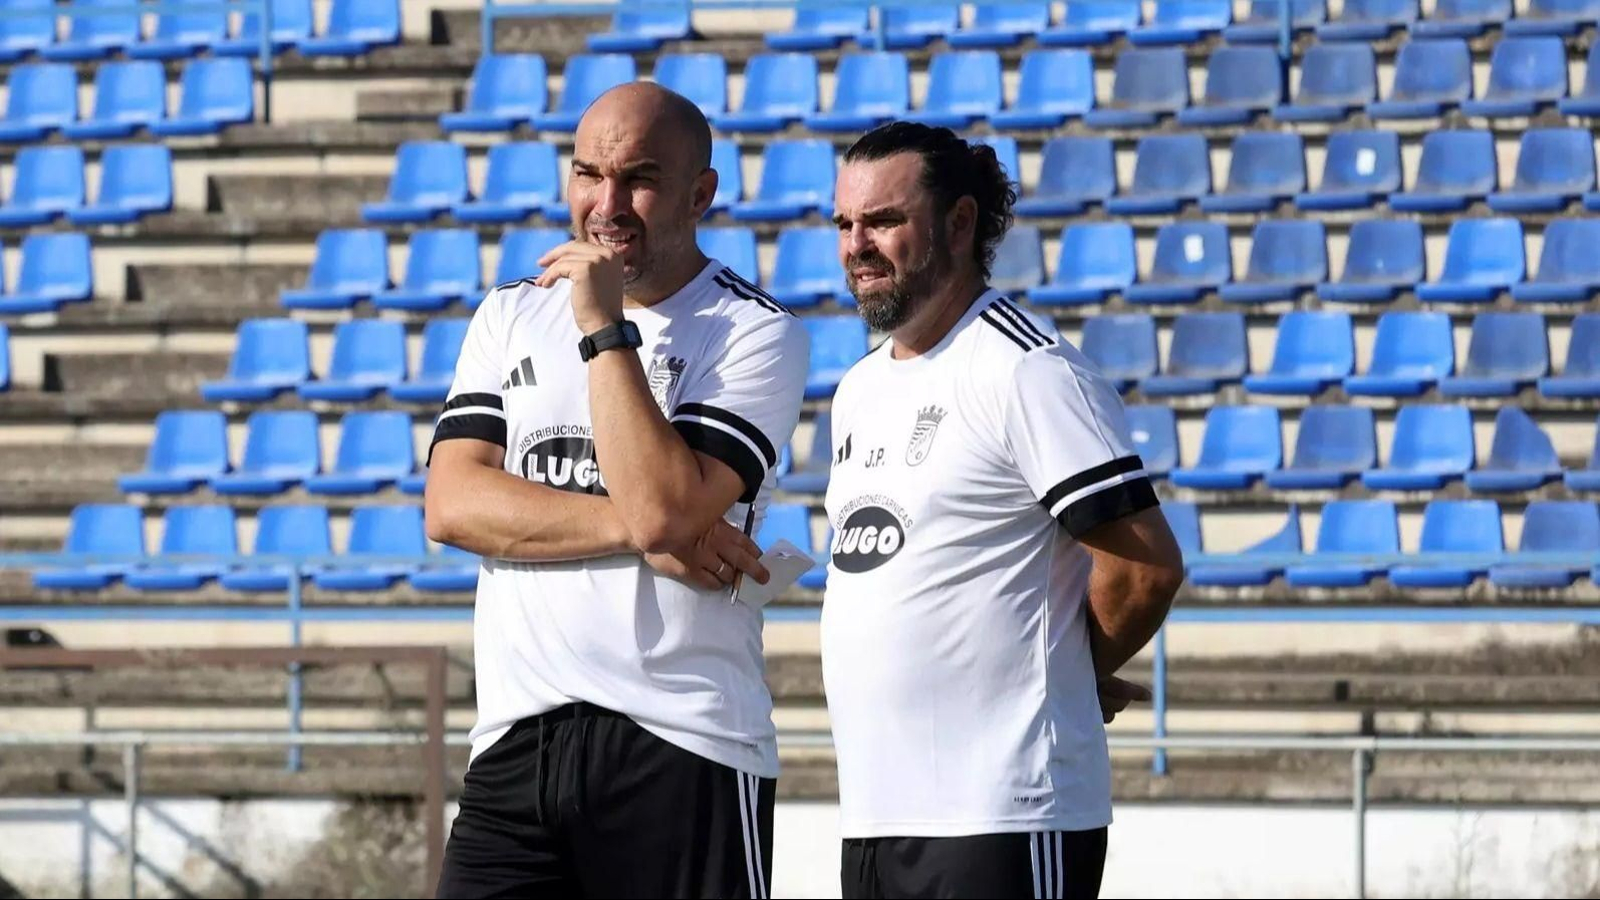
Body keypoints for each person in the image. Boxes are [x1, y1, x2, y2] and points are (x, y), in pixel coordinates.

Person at [425, 82, 809, 899]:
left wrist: (605, 331)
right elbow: (453, 505)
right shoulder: (509, 314)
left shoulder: (755, 332)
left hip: (683, 741)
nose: (607, 205)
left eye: (639, 177)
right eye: (587, 174)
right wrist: (646, 528)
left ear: (701, 193)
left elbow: (668, 506)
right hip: (512, 745)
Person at [820, 121, 1186, 900]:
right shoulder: (859, 388)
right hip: (877, 817)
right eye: (845, 224)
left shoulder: (1026, 370)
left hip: (1005, 818)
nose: (856, 245)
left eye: (882, 221)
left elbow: (1143, 567)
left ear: (959, 223)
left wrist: (1065, 677)